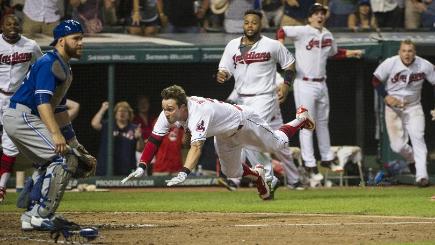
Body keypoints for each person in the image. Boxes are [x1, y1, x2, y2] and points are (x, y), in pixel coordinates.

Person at [126, 85, 315, 200]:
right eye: (164, 108)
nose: (166, 113)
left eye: (170, 109)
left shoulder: (198, 112)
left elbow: (196, 146)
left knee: (278, 144)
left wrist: (184, 172)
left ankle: (300, 118)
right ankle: (258, 176)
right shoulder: (168, 113)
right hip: (224, 134)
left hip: (244, 122)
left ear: (182, 107)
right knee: (231, 172)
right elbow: (154, 139)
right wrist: (142, 165)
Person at [3, 19, 95, 230]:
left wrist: (75, 143)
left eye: (81, 38)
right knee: (64, 159)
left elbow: (60, 109)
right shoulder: (49, 62)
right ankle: (41, 214)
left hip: (21, 117)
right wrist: (56, 135)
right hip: (23, 116)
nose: (81, 43)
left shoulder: (64, 66)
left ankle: (30, 216)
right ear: (61, 41)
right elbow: (42, 102)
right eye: (76, 39)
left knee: (52, 162)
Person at [217, 9, 304, 195]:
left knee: (247, 137)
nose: (250, 25)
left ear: (260, 24)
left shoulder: (272, 45)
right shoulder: (232, 45)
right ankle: (283, 179)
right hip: (242, 99)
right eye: (247, 22)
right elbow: (225, 68)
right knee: (271, 142)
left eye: (254, 22)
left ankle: (267, 179)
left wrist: (286, 85)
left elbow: (290, 65)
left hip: (265, 97)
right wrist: (223, 74)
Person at [277, 3, 363, 187]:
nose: (319, 16)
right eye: (316, 13)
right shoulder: (302, 31)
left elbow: (333, 53)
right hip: (304, 82)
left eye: (322, 13)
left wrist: (350, 53)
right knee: (305, 122)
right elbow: (281, 30)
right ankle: (309, 163)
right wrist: (281, 47)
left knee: (323, 122)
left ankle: (326, 158)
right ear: (309, 17)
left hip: (321, 83)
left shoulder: (328, 34)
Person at [371, 39, 435, 187]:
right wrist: (386, 96)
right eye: (404, 51)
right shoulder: (390, 62)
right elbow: (375, 80)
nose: (407, 54)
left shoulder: (423, 64)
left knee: (418, 137)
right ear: (399, 52)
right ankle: (413, 159)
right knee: (397, 146)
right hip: (393, 108)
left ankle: (421, 176)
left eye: (410, 51)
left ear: (415, 53)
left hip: (413, 107)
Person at [0, 14, 42, 203]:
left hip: (17, 100)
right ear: (2, 25)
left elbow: (41, 67)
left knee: (9, 145)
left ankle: (1, 187)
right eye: (9, 23)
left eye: (16, 23)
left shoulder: (31, 45)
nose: (13, 26)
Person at [92, 101, 144, 176]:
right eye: (120, 111)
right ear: (115, 114)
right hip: (106, 168)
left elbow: (140, 149)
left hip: (126, 169)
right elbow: (94, 124)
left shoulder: (134, 128)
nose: (122, 113)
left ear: (129, 115)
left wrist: (139, 138)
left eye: (125, 111)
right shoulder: (108, 125)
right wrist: (103, 109)